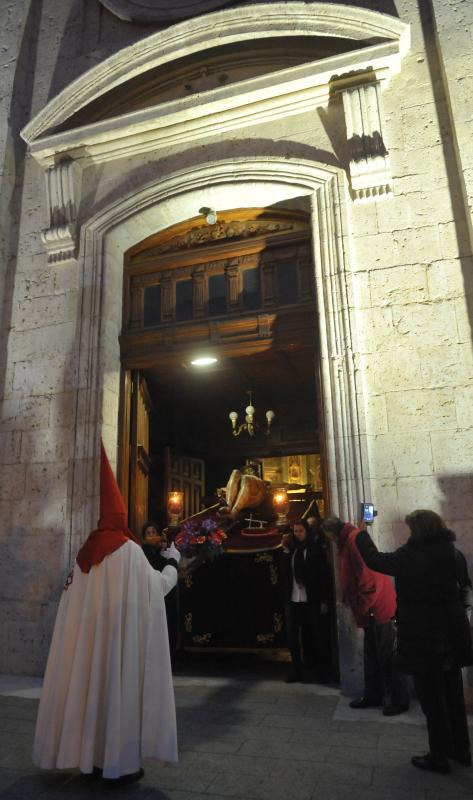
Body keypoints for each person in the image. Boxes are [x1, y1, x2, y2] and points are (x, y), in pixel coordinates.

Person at [33, 442, 180, 785]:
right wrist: (173, 563)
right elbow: (155, 589)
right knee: (118, 690)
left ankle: (93, 760)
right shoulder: (129, 551)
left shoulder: (84, 554)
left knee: (93, 690)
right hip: (120, 643)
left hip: (91, 644)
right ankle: (120, 764)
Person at [355, 509, 473, 773]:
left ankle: (439, 756)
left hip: (425, 637)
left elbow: (375, 560)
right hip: (453, 633)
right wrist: (456, 615)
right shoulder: (453, 554)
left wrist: (361, 533)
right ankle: (461, 749)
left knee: (432, 699)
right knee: (452, 694)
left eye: (410, 529)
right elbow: (466, 589)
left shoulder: (411, 556)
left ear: (418, 531)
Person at [322, 516, 409, 716]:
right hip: (369, 609)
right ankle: (373, 694)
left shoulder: (353, 541)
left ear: (332, 533)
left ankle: (398, 700)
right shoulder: (347, 541)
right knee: (371, 655)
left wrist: (363, 606)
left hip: (377, 608)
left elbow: (369, 579)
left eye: (328, 537)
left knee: (387, 656)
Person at [281, 518, 332, 683]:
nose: (298, 534)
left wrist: (324, 600)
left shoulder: (315, 549)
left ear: (307, 531)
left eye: (300, 531)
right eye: (295, 531)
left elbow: (323, 575)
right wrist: (285, 552)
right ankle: (296, 670)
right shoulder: (292, 550)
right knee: (293, 637)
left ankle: (321, 671)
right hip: (293, 599)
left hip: (311, 599)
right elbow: (285, 573)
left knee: (315, 635)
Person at [142, 520, 179, 661]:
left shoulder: (162, 552)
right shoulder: (143, 552)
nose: (151, 536)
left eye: (154, 533)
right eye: (148, 533)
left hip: (166, 597)